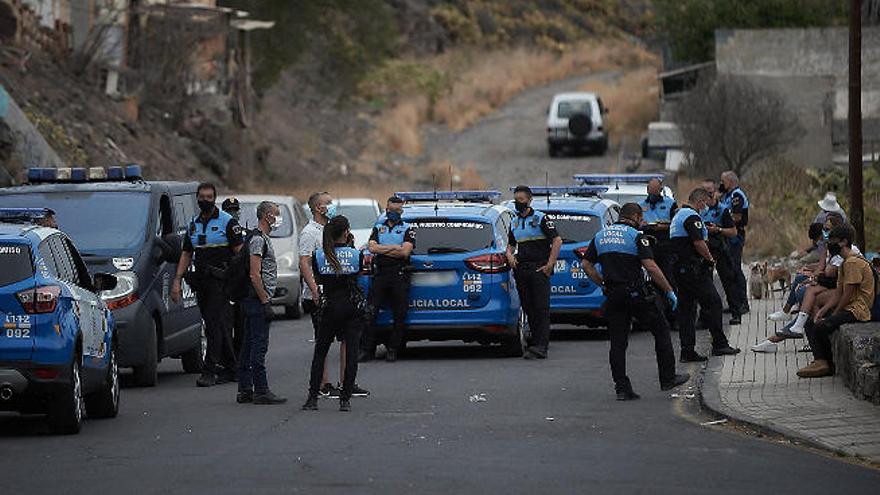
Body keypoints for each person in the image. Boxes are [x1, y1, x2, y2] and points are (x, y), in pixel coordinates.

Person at [578, 203, 690, 400]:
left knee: (618, 342)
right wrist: (669, 290)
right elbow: (651, 266)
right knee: (661, 330)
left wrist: (602, 283)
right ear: (637, 217)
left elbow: (586, 265)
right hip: (636, 294)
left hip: (613, 294)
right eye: (641, 218)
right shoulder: (636, 236)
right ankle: (668, 378)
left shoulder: (600, 236)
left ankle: (622, 388)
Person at [172, 183, 243, 387]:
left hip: (221, 282)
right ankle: (232, 367)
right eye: (202, 197)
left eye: (209, 197)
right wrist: (177, 280)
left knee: (213, 325)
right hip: (201, 282)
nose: (205, 200)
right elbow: (186, 253)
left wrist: (238, 279)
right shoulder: (193, 224)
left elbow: (240, 252)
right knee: (216, 324)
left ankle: (209, 370)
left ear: (215, 198)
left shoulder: (227, 222)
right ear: (197, 198)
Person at [300, 192, 367, 397]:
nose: (331, 205)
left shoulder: (334, 228)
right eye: (327, 203)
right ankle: (323, 384)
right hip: (322, 295)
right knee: (323, 341)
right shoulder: (310, 232)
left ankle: (347, 382)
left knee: (348, 341)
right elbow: (305, 262)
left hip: (343, 295)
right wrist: (314, 289)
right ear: (317, 208)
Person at [670, 188, 741, 362]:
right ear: (700, 201)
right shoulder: (692, 216)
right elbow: (698, 242)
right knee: (714, 302)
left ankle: (687, 351)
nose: (706, 207)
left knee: (687, 310)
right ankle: (719, 344)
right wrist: (709, 259)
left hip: (681, 270)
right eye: (705, 203)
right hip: (693, 270)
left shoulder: (679, 215)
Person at [798, 224, 875, 378]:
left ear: (843, 242)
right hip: (849, 306)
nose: (829, 243)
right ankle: (819, 360)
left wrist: (835, 313)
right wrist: (822, 310)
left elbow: (847, 294)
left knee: (821, 327)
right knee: (811, 321)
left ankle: (827, 363)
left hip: (858, 309)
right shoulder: (845, 262)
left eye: (833, 240)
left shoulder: (853, 262)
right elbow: (838, 293)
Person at [237, 201, 286, 405]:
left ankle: (246, 389)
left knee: (248, 344)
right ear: (267, 216)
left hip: (253, 300)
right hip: (256, 300)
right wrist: (265, 301)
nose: (278, 219)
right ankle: (261, 390)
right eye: (276, 214)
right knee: (258, 345)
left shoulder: (260, 238)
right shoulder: (258, 239)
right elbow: (254, 274)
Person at [506, 185, 562, 360]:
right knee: (528, 307)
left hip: (539, 268)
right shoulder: (514, 221)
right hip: (522, 270)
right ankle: (535, 342)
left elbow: (557, 240)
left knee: (541, 308)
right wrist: (509, 255)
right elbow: (511, 244)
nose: (518, 203)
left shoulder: (541, 219)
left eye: (521, 199)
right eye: (516, 199)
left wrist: (550, 264)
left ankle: (541, 347)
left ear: (529, 200)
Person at [363, 196, 415, 362]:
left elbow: (405, 252)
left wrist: (382, 249)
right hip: (380, 274)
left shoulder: (407, 228)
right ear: (387, 210)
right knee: (370, 312)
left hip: (399, 274)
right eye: (392, 211)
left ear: (402, 211)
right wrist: (394, 248)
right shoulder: (379, 227)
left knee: (399, 314)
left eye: (398, 211)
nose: (395, 213)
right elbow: (371, 247)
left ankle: (393, 349)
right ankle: (367, 350)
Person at [700, 179, 744, 325]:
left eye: (710, 192)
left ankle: (736, 313)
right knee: (705, 283)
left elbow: (733, 231)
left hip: (721, 247)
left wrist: (717, 229)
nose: (708, 195)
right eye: (705, 192)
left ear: (715, 192)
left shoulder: (723, 209)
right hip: (705, 249)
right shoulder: (698, 210)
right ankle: (704, 317)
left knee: (728, 281)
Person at [639, 178, 678, 323]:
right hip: (647, 245)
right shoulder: (641, 205)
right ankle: (655, 316)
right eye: (651, 190)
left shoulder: (670, 203)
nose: (653, 193)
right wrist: (642, 224)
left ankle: (674, 316)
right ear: (647, 190)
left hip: (665, 246)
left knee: (668, 279)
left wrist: (662, 226)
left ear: (660, 190)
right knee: (651, 283)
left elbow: (676, 224)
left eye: (656, 190)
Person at [718, 171, 749, 315]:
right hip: (727, 235)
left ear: (730, 181)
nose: (721, 184)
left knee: (735, 269)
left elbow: (737, 217)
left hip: (735, 235)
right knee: (728, 270)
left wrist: (723, 219)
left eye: (723, 181)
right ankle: (733, 302)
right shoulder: (726, 195)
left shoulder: (737, 195)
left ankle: (743, 303)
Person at [221, 197, 245, 356]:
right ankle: (228, 359)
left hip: (241, 285)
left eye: (235, 210)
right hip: (224, 285)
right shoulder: (220, 234)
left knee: (242, 325)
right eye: (229, 210)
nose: (233, 213)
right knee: (225, 325)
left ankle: (240, 357)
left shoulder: (244, 233)